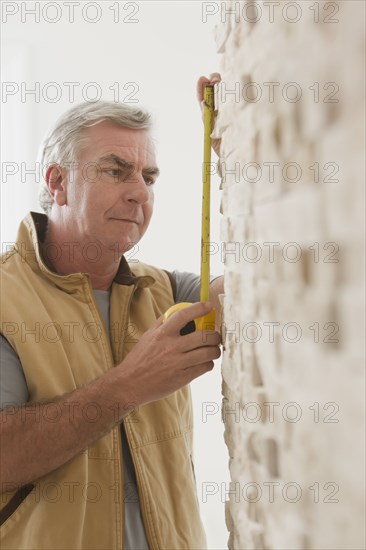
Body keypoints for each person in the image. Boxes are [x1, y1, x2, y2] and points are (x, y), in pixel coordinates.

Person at [0, 74, 223, 549]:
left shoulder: (166, 291)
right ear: (57, 182)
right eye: (116, 170)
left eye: (149, 177)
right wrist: (130, 385)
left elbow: (271, 293)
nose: (139, 192)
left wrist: (242, 158)